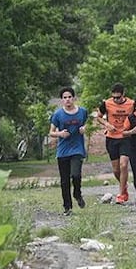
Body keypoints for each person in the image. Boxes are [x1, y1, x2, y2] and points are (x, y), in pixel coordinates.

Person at [49, 87, 88, 216]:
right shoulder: (58, 115)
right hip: (63, 151)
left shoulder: (82, 111)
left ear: (74, 98)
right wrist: (60, 133)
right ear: (62, 100)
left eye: (69, 97)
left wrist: (84, 129)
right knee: (64, 181)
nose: (67, 100)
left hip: (77, 148)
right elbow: (51, 132)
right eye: (65, 98)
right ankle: (67, 207)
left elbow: (86, 123)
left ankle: (77, 193)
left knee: (76, 174)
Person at [95, 83, 134, 204]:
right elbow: (99, 117)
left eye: (118, 97)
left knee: (124, 165)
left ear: (124, 94)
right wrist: (106, 124)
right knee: (116, 170)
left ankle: (121, 194)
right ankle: (124, 186)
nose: (116, 100)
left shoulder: (132, 104)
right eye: (114, 97)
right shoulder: (106, 103)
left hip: (126, 137)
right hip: (111, 138)